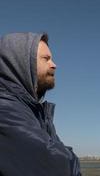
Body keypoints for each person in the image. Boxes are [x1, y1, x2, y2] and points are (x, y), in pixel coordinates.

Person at [0, 32, 81, 176]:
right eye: (46, 59)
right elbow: (57, 167)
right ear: (20, 63)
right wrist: (69, 157)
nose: (54, 65)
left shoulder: (32, 110)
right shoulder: (5, 109)